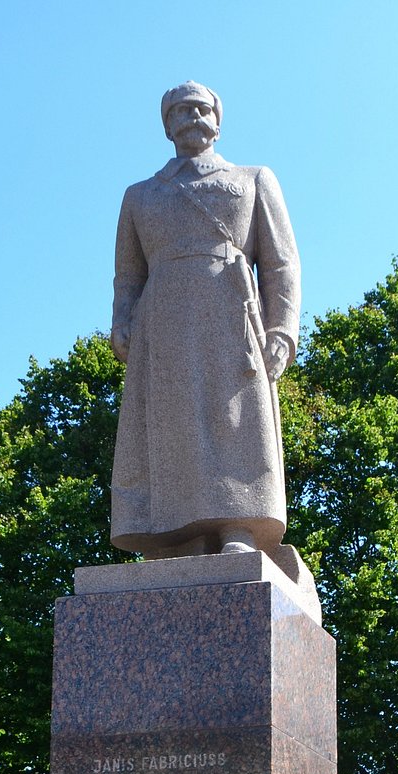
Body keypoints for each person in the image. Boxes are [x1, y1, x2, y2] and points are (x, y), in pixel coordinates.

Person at [109, 81, 301, 566]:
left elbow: (281, 264)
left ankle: (238, 524)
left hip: (230, 316)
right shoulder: (140, 195)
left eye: (201, 109)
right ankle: (179, 534)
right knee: (170, 422)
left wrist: (282, 330)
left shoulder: (253, 179)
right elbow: (129, 272)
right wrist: (122, 318)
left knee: (234, 419)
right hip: (162, 323)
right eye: (180, 110)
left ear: (217, 120)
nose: (191, 117)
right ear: (166, 124)